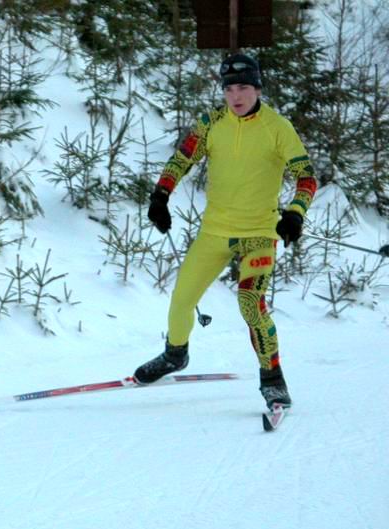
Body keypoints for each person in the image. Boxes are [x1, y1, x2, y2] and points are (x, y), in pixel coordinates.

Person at [133, 53, 317, 412]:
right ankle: (175, 354)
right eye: (229, 89)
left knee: (250, 303)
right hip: (215, 232)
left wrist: (295, 213)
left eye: (244, 87)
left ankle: (273, 380)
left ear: (257, 89)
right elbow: (182, 159)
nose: (236, 96)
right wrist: (160, 196)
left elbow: (306, 177)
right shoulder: (211, 122)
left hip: (259, 234)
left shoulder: (277, 127)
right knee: (181, 300)